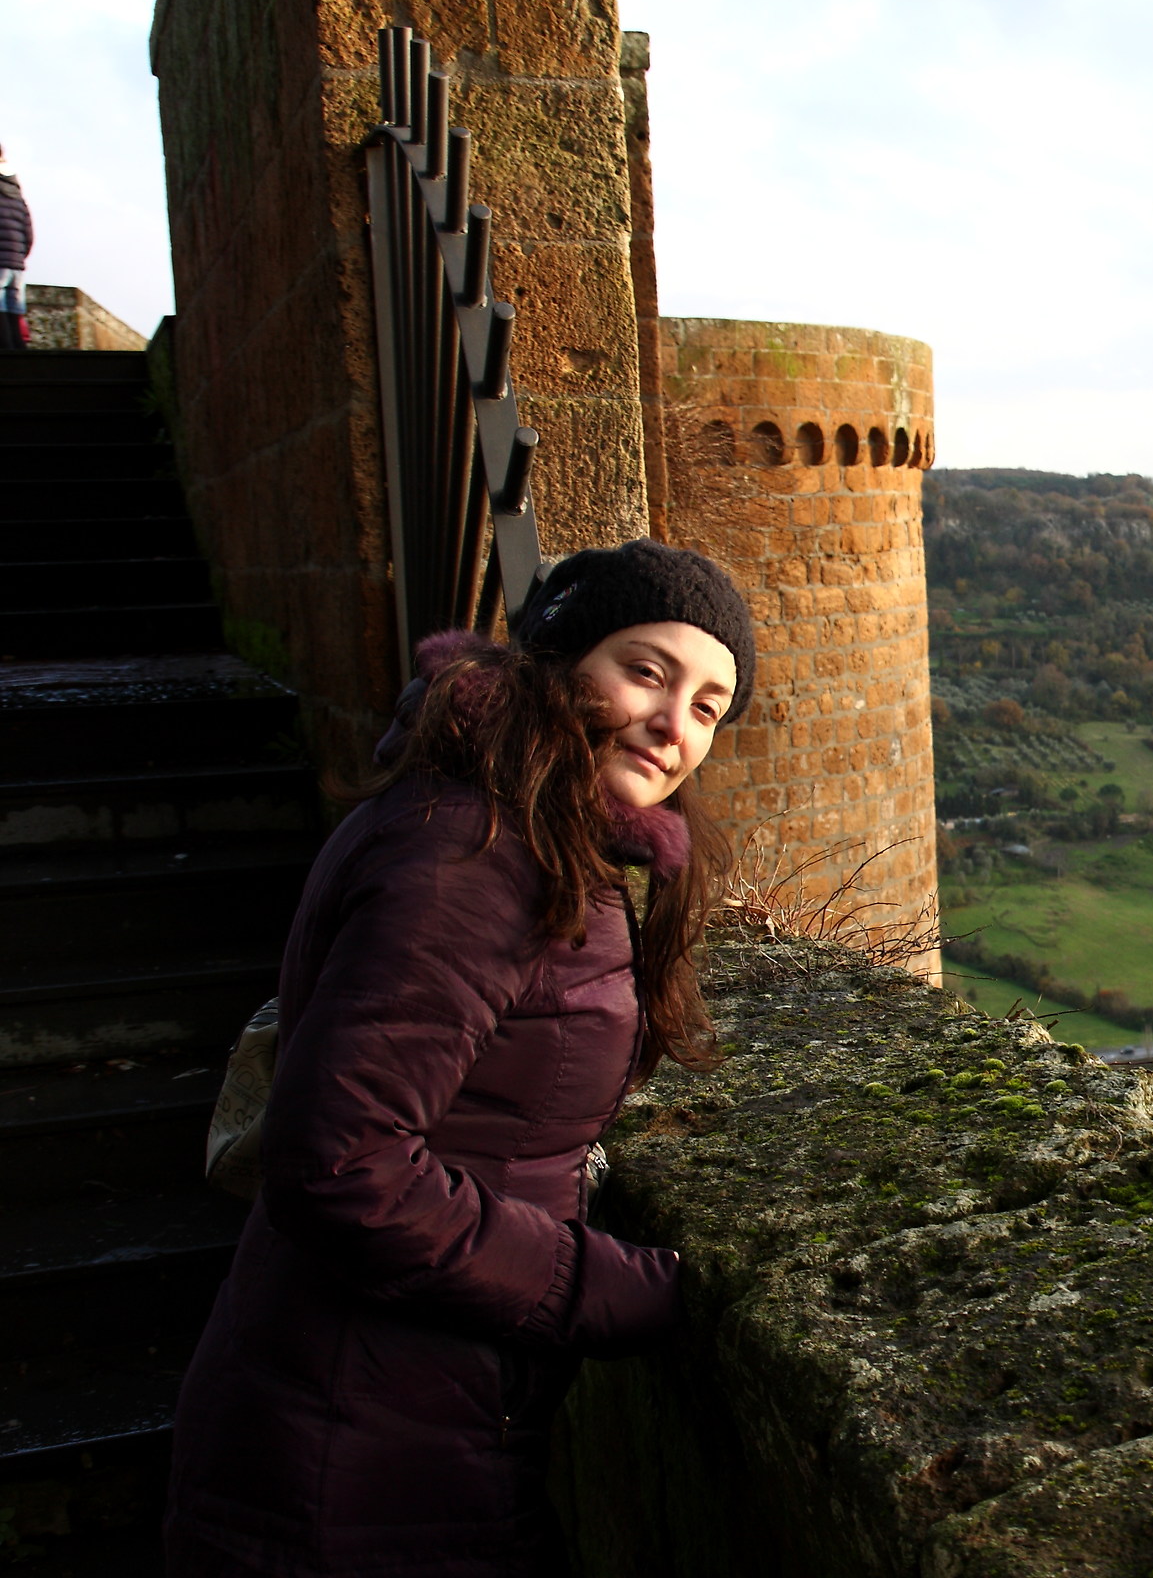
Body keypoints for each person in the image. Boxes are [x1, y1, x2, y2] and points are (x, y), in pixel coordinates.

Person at [164, 540, 756, 1577]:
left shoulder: (505, 819)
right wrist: (620, 1287)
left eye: (709, 705)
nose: (675, 726)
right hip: (350, 1457)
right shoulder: (475, 855)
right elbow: (341, 1165)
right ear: (557, 656)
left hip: (393, 1416)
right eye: (648, 671)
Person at [0, 142, 31, 349]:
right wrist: (20, 255)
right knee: (15, 308)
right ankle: (19, 353)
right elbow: (29, 232)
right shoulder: (17, 193)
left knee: (1, 308)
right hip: (17, 263)